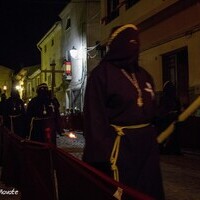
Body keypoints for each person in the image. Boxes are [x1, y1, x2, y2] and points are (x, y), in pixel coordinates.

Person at [82, 24, 165, 200]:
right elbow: (94, 120)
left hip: (146, 151)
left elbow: (152, 112)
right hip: (119, 152)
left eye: (136, 41)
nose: (134, 45)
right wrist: (103, 156)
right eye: (129, 41)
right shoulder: (101, 75)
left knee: (147, 191)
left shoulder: (144, 75)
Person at [155, 80, 182, 155]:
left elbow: (161, 110)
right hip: (171, 120)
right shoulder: (173, 98)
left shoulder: (164, 97)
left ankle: (165, 149)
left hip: (167, 120)